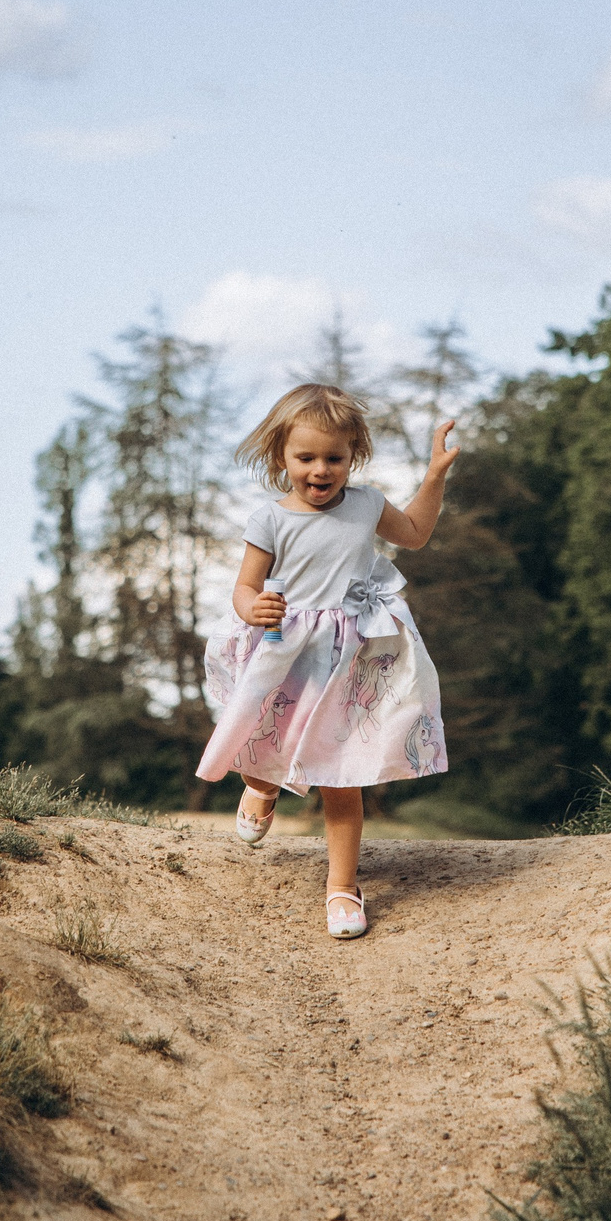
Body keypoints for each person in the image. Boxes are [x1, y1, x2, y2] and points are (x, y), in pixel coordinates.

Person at [196, 382, 457, 938]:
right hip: (286, 652)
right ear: (280, 457)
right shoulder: (270, 519)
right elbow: (244, 589)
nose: (320, 469)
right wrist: (254, 605)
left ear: (354, 455)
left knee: (344, 775)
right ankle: (262, 788)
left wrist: (434, 477)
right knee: (260, 740)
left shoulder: (365, 505)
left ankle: (342, 889)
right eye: (306, 457)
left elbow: (414, 533)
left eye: (334, 457)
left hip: (351, 656)